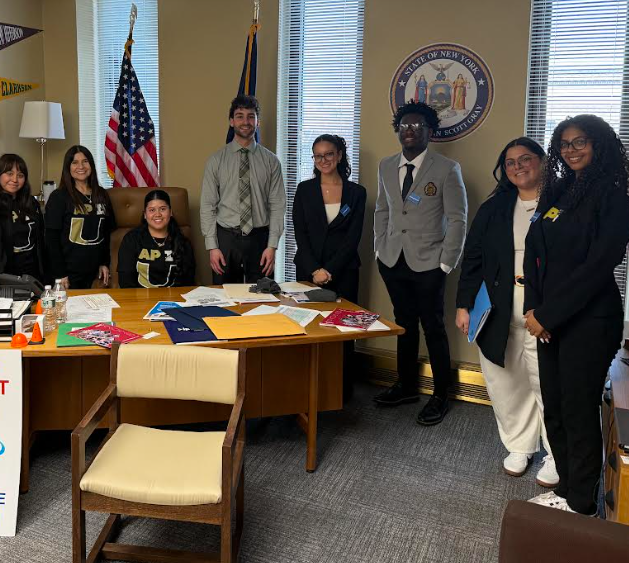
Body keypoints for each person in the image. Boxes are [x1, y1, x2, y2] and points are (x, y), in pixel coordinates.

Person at [525, 115, 629, 515]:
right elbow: (534, 253)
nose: (571, 150)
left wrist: (549, 315)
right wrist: (534, 309)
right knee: (554, 407)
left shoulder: (613, 199)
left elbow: (598, 267)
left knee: (578, 410)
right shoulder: (560, 191)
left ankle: (582, 502)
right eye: (564, 144)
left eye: (580, 142)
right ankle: (567, 488)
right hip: (548, 320)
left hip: (589, 322)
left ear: (598, 145)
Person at [455, 137, 557, 487]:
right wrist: (464, 304)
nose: (517, 167)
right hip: (498, 304)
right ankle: (519, 445)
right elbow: (473, 257)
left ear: (542, 161)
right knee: (504, 378)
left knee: (547, 381)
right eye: (510, 162)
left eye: (525, 159)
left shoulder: (563, 203)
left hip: (544, 305)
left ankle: (556, 452)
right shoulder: (494, 207)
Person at [373, 101, 467, 426]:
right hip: (392, 259)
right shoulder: (386, 165)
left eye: (417, 126)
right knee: (404, 324)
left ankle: (440, 395)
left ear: (430, 131)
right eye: (404, 126)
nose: (409, 131)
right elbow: (382, 209)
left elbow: (458, 219)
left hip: (430, 263)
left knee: (433, 327)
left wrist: (446, 263)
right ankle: (406, 386)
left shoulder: (447, 169)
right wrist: (379, 248)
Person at [292, 134, 367, 399]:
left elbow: (353, 238)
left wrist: (330, 270)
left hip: (344, 271)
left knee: (343, 330)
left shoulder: (356, 193)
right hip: (308, 272)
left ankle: (341, 391)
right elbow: (300, 234)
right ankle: (307, 389)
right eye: (318, 155)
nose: (323, 160)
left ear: (339, 156)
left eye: (329, 154)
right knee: (309, 328)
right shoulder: (304, 190)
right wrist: (315, 270)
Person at [200, 95, 287, 284]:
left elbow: (278, 205)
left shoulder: (271, 161)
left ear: (258, 122)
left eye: (251, 116)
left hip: (260, 239)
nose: (245, 122)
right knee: (224, 296)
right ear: (231, 121)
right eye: (240, 116)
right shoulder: (216, 161)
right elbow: (208, 205)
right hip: (225, 239)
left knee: (262, 295)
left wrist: (272, 246)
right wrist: (212, 246)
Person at [44, 145, 115, 289]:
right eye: (75, 162)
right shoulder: (59, 197)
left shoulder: (101, 194)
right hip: (68, 273)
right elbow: (51, 239)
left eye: (85, 161)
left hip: (94, 273)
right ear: (68, 167)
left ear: (91, 165)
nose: (81, 166)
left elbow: (105, 234)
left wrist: (104, 262)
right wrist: (60, 273)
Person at [117, 189, 196, 288]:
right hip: (139, 297)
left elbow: (188, 284)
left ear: (170, 212)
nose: (158, 214)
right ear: (145, 214)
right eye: (152, 210)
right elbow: (126, 282)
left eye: (162, 209)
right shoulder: (131, 240)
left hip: (174, 297)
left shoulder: (183, 243)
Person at [0, 153, 45, 283]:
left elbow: (41, 238)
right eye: (9, 173)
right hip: (4, 274)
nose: (15, 179)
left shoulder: (32, 203)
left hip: (33, 272)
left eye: (20, 175)